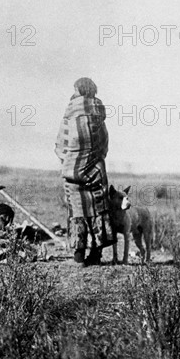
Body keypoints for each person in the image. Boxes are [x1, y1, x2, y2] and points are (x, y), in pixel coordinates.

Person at [55, 77, 110, 265]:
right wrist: (94, 160)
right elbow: (104, 143)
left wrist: (69, 161)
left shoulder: (69, 113)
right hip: (96, 171)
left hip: (72, 172)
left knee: (76, 212)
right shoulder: (99, 113)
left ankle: (78, 255)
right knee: (98, 211)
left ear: (80, 90)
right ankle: (96, 255)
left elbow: (61, 143)